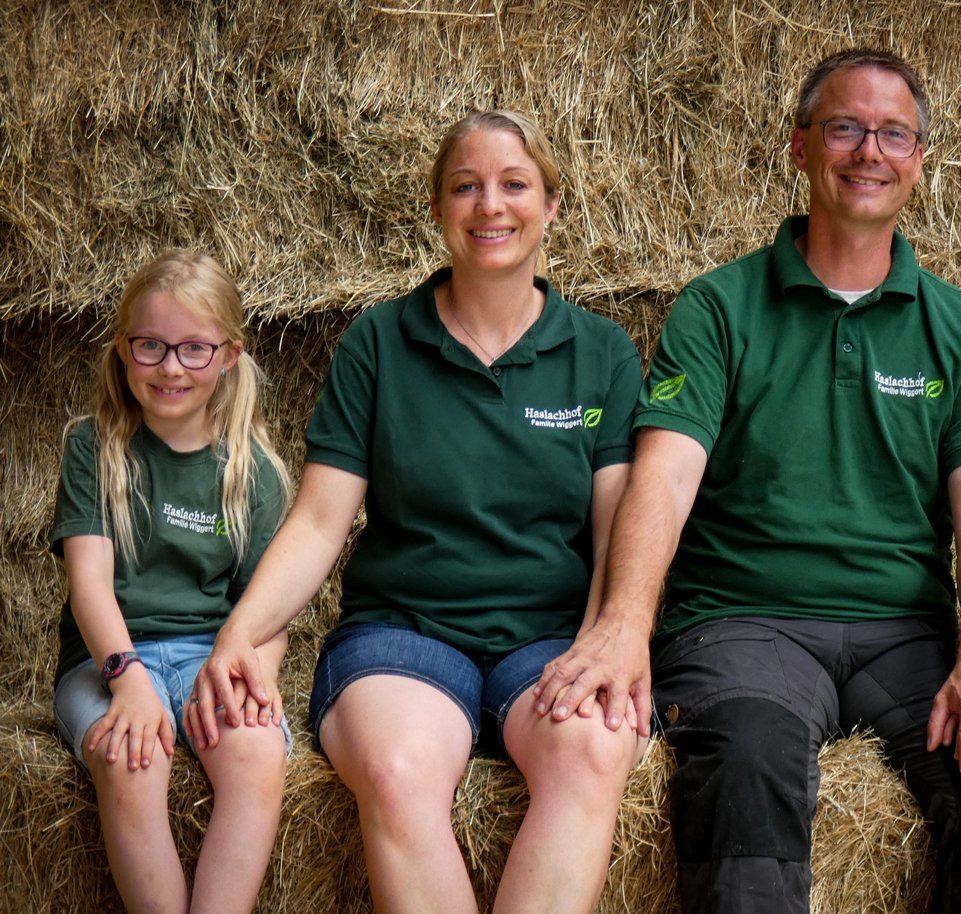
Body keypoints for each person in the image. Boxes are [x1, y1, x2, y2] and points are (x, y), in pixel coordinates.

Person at [534, 49, 961, 913]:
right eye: (844, 127)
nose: (868, 151)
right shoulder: (719, 307)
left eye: (894, 134)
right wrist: (625, 627)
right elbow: (662, 479)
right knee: (747, 762)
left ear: (919, 159)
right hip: (743, 622)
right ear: (799, 148)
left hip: (902, 633)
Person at [186, 109, 646, 914]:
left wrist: (616, 638)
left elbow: (619, 527)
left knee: (594, 751)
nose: (489, 206)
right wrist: (239, 633)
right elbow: (321, 521)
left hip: (549, 638)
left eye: (513, 185)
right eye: (464, 187)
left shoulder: (600, 351)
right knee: (398, 769)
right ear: (437, 209)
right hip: (405, 630)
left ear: (553, 205)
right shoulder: (380, 342)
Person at [51, 250, 291, 914]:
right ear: (124, 350)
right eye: (150, 346)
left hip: (211, 655)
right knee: (130, 757)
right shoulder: (93, 447)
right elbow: (90, 585)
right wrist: (127, 682)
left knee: (256, 755)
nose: (170, 367)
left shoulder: (253, 471)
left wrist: (255, 675)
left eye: (193, 349)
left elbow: (267, 612)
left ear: (228, 356)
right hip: (107, 659)